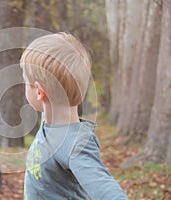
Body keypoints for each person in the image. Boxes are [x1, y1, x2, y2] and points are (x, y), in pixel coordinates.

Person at [20, 33, 128, 199]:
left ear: (40, 92)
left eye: (26, 83)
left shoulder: (75, 143)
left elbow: (107, 190)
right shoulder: (50, 121)